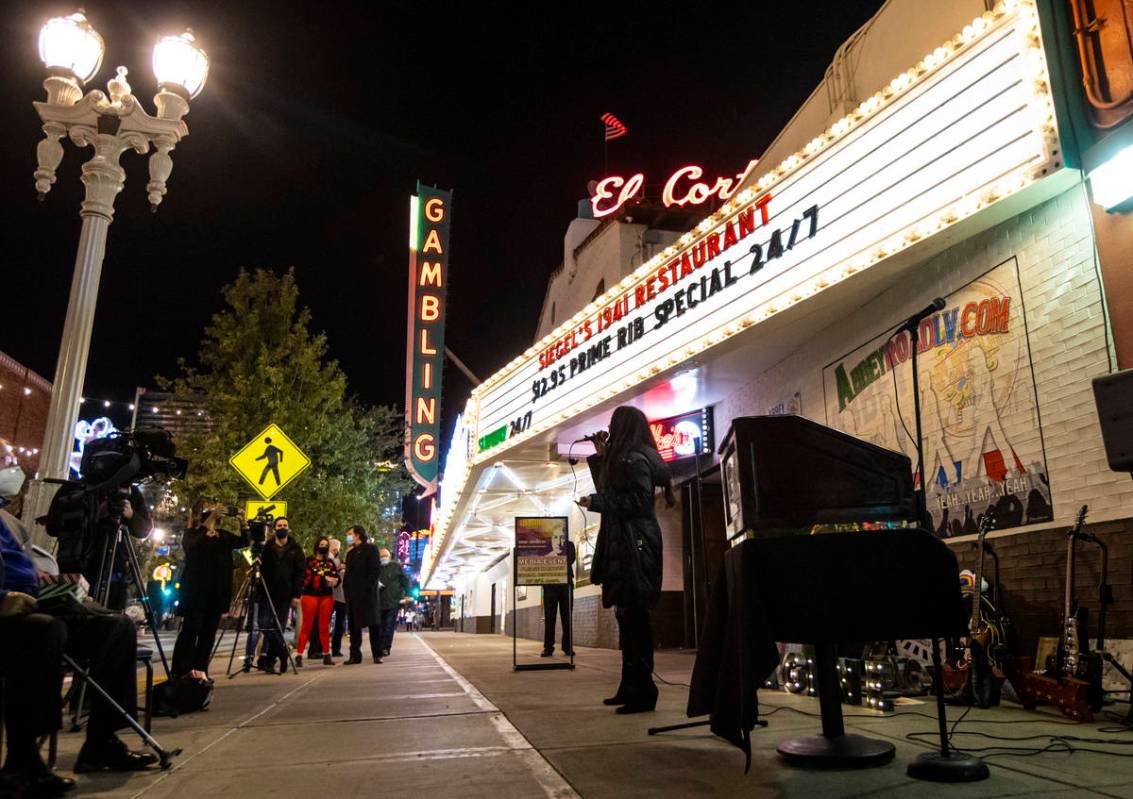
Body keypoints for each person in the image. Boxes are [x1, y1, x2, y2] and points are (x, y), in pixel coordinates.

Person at [0, 458, 156, 797]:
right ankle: (22, 760)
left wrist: (57, 589)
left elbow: (29, 573)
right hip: (11, 617)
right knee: (43, 630)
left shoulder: (9, 523)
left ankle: (102, 742)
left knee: (117, 626)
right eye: (3, 461)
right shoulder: (71, 495)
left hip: (37, 602)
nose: (12, 469)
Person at [578, 405, 674, 714]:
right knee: (626, 618)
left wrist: (597, 502)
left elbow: (637, 500)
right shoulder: (626, 458)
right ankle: (629, 686)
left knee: (636, 620)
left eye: (613, 424)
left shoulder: (634, 459)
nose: (610, 428)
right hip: (627, 546)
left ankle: (643, 692)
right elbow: (613, 489)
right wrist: (602, 456)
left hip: (636, 546)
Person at [172, 500, 247, 678]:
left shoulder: (223, 536)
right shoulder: (192, 535)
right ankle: (181, 671)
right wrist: (210, 520)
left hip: (216, 593)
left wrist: (243, 522)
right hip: (195, 594)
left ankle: (201, 671)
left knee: (208, 635)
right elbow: (193, 546)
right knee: (190, 631)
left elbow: (244, 541)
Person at [255, 516, 304, 673]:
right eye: (279, 525)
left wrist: (296, 594)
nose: (282, 527)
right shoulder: (266, 547)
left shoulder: (296, 549)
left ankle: (269, 660)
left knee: (278, 627)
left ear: (288, 528)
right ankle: (283, 652)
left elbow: (300, 574)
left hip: (285, 594)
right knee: (264, 623)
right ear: (275, 528)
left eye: (285, 525)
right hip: (266, 592)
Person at [295, 537, 339, 666]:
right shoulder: (308, 561)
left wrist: (334, 581)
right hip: (310, 596)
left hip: (326, 596)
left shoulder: (330, 563)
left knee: (324, 627)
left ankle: (326, 654)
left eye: (326, 545)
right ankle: (299, 655)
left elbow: (335, 577)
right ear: (316, 546)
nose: (324, 547)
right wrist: (325, 579)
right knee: (306, 626)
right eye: (321, 544)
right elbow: (306, 579)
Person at [342, 525, 382, 664]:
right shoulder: (351, 553)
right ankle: (355, 655)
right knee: (354, 626)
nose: (348, 536)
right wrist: (346, 589)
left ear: (357, 535)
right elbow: (348, 573)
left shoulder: (371, 549)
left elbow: (375, 571)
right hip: (353, 594)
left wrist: (367, 587)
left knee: (373, 624)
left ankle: (377, 653)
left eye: (350, 533)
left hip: (367, 593)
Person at [540, 531, 576, 657]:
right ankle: (548, 647)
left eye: (561, 537)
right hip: (549, 584)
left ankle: (567, 647)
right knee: (550, 618)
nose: (559, 540)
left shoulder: (569, 545)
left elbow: (570, 559)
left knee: (567, 617)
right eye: (555, 537)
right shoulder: (545, 549)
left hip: (565, 584)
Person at [377, 549, 409, 657]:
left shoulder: (396, 566)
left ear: (390, 556)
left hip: (393, 602)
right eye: (381, 556)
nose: (383, 558)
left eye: (385, 555)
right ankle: (380, 646)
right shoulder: (376, 568)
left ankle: (386, 648)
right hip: (380, 602)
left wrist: (406, 594)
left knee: (389, 626)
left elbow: (404, 580)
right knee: (380, 626)